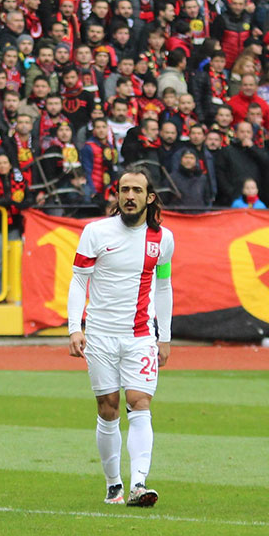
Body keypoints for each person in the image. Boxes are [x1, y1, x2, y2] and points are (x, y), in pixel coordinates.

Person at [67, 168, 174, 508]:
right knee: (108, 408)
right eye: (124, 189)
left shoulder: (163, 240)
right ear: (117, 195)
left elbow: (164, 285)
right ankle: (113, 484)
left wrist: (165, 336)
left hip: (141, 335)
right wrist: (74, 327)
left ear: (149, 197)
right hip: (99, 335)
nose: (129, 196)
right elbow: (79, 281)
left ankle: (139, 484)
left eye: (136, 190)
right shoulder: (95, 232)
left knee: (140, 402)